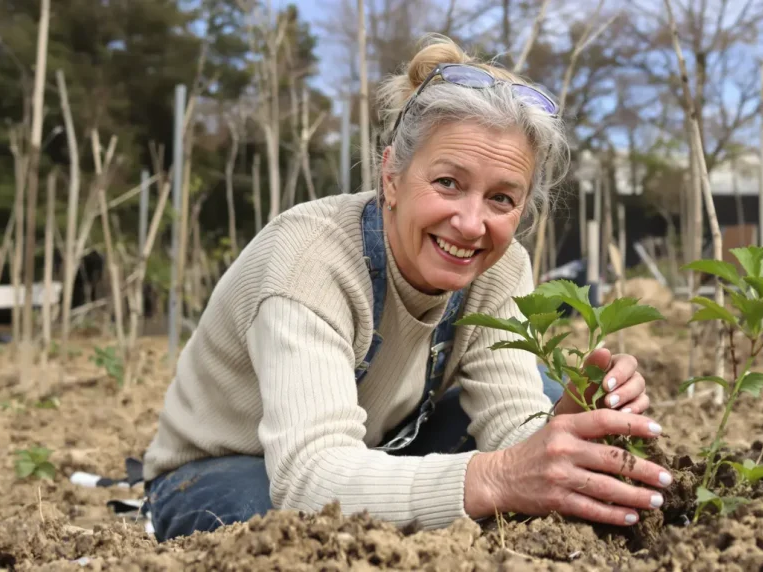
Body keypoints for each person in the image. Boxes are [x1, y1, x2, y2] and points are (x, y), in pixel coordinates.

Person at [142, 35, 672, 542]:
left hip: (382, 445)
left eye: (502, 199)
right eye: (448, 183)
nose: (470, 223)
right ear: (392, 175)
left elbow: (510, 431)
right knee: (284, 530)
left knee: (551, 403)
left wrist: (559, 429)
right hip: (231, 465)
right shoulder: (309, 262)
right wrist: (497, 477)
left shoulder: (502, 266)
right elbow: (309, 476)